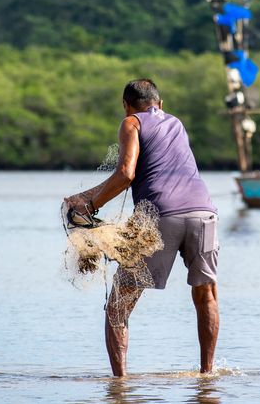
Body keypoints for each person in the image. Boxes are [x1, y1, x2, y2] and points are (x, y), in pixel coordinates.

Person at [63, 78, 220, 377]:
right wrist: (89, 198)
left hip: (160, 217)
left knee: (118, 306)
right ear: (160, 104)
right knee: (206, 295)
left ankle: (120, 387)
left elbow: (125, 174)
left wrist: (90, 205)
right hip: (204, 213)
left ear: (126, 106)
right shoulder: (176, 123)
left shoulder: (131, 123)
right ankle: (207, 377)